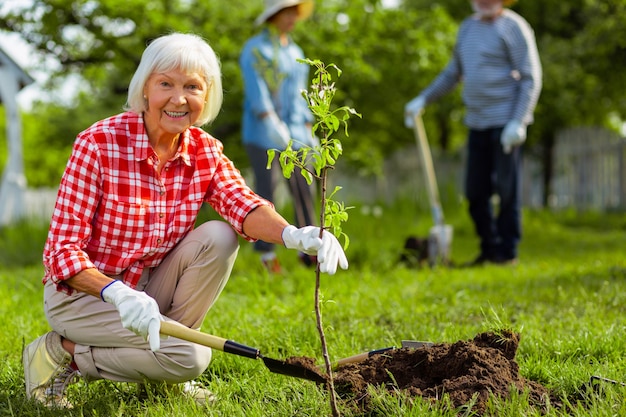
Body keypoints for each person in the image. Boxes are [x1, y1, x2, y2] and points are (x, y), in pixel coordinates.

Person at [22, 32, 348, 408]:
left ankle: (160, 368)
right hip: (82, 297)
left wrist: (293, 234)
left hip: (149, 291)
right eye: (166, 84)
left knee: (220, 237)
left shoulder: (204, 150)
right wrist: (116, 292)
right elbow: (61, 251)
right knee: (192, 356)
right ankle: (58, 351)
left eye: (192, 86)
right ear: (145, 88)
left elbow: (241, 203)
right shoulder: (98, 144)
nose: (179, 99)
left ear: (206, 96)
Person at [404, 0, 542, 266]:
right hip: (477, 123)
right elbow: (452, 73)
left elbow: (530, 77)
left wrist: (519, 121)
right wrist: (423, 99)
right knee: (475, 193)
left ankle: (507, 253)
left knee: (507, 190)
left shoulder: (514, 27)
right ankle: (489, 248)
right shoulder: (467, 28)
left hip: (506, 124)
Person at [239, 0, 318, 273]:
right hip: (263, 133)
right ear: (274, 15)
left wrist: (308, 128)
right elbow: (256, 91)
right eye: (287, 12)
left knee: (303, 188)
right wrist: (270, 120)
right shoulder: (255, 50)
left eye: (295, 13)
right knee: (267, 191)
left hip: (296, 134)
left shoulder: (296, 52)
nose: (292, 18)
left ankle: (310, 250)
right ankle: (266, 256)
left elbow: (301, 96)